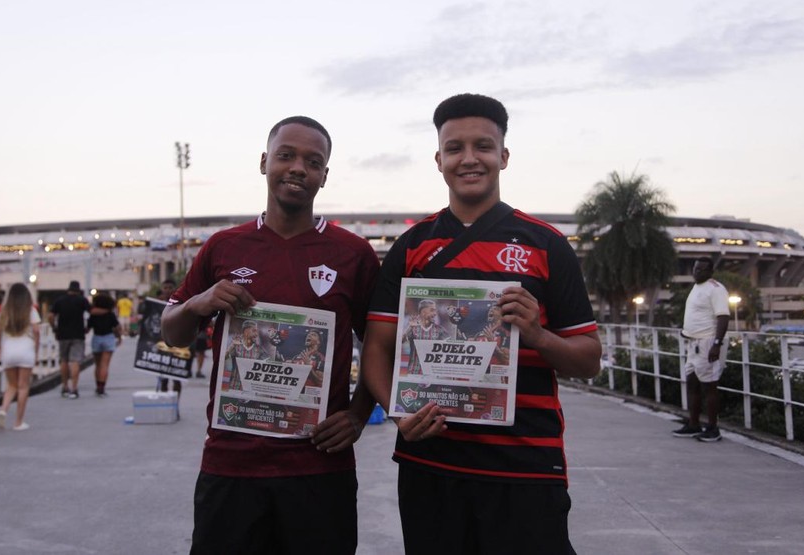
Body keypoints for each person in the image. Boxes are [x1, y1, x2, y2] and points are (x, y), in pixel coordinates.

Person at [361, 93, 602, 554]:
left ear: (504, 156)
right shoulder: (412, 246)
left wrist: (536, 335)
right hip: (431, 463)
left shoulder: (546, 245)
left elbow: (588, 359)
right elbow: (377, 347)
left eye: (483, 146)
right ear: (438, 160)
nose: (469, 159)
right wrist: (397, 411)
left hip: (525, 467)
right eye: (455, 148)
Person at [161, 115, 380, 555]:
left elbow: (379, 342)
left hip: (319, 468)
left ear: (324, 176)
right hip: (232, 463)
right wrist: (198, 302)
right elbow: (173, 332)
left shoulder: (352, 254)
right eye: (286, 156)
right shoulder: (223, 246)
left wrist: (358, 413)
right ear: (264, 163)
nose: (299, 168)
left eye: (313, 161)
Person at [673, 257, 730, 442]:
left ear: (711, 272)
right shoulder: (697, 287)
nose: (697, 273)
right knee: (692, 384)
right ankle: (693, 423)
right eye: (696, 269)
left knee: (709, 386)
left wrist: (717, 344)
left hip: (707, 342)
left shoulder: (716, 289)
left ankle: (713, 428)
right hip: (692, 343)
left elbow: (723, 317)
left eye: (702, 270)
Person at [0, 283, 41, 431]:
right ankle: (18, 422)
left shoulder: (5, 311)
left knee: (12, 386)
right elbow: (36, 331)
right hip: (26, 350)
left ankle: (3, 409)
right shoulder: (31, 310)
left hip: (8, 351)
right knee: (23, 387)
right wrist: (36, 350)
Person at [51, 280, 92, 399]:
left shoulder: (59, 300)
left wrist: (54, 328)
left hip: (62, 335)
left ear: (68, 289)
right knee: (75, 361)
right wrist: (88, 327)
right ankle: (74, 388)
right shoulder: (82, 300)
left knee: (64, 360)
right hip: (78, 334)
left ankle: (64, 387)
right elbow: (92, 312)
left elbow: (50, 316)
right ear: (78, 290)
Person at [401, 299, 450, 374]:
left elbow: (449, 345)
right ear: (423, 312)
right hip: (414, 370)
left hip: (432, 370)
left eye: (435, 310)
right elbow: (401, 341)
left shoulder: (439, 329)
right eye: (432, 310)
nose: (435, 313)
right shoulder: (412, 326)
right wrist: (410, 327)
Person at [88, 293, 121, 397]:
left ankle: (97, 385)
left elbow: (88, 327)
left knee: (97, 365)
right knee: (104, 365)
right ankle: (102, 388)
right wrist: (119, 337)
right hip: (108, 338)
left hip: (97, 337)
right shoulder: (110, 314)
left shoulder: (93, 314)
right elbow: (117, 327)